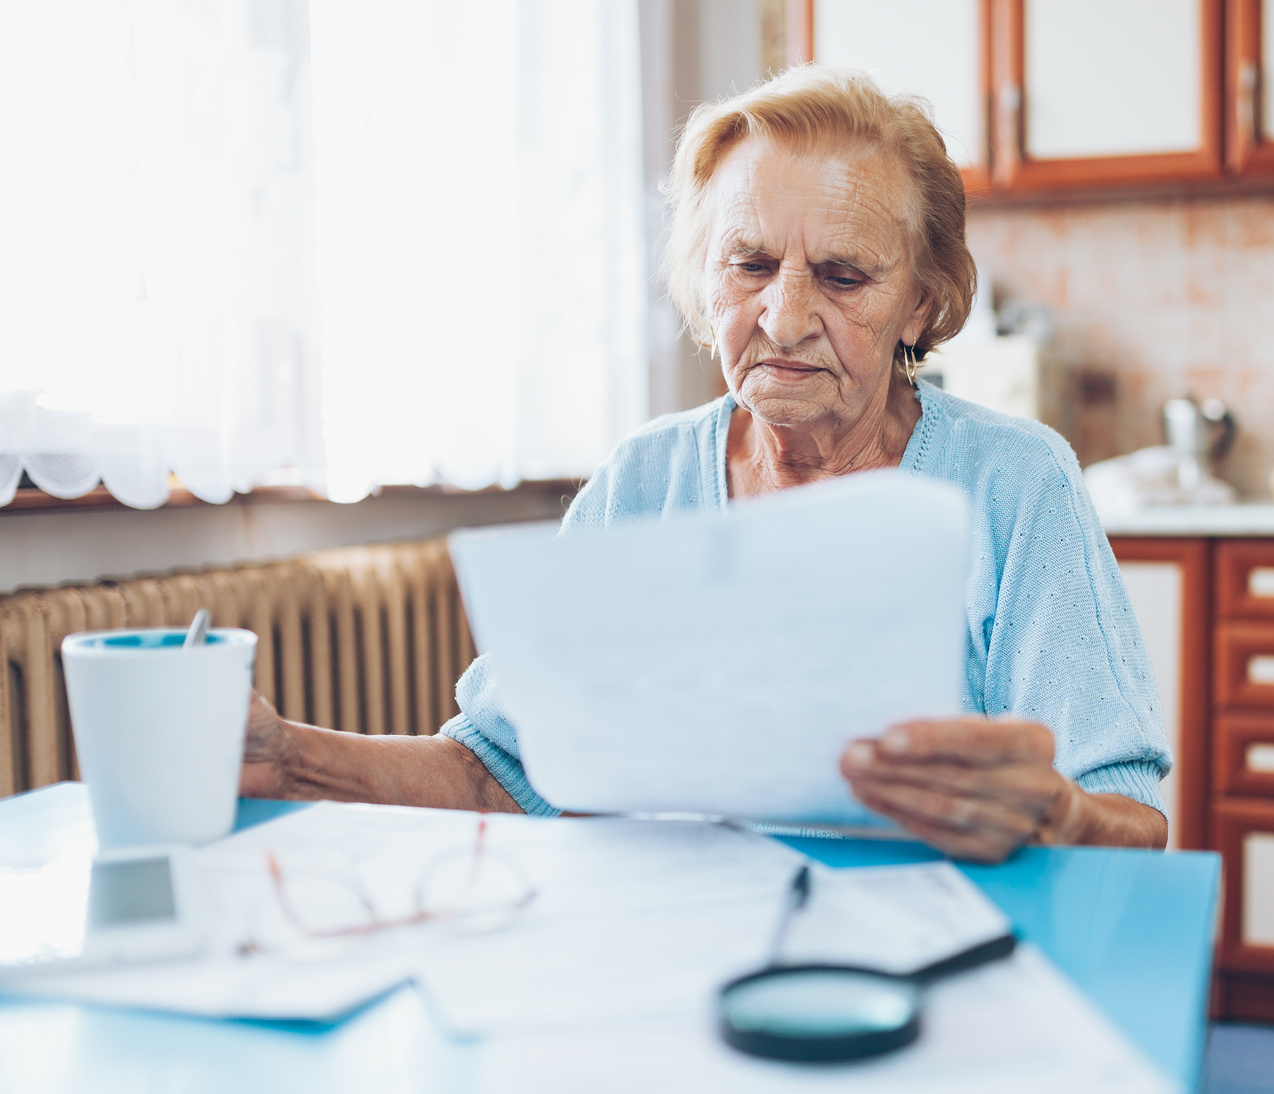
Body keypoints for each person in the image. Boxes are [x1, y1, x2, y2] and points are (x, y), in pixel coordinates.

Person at [241, 66, 1171, 863]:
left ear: (921, 307)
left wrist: (1051, 811)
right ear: (704, 279)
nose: (783, 316)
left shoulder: (1014, 483)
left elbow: (1131, 819)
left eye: (842, 276)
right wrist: (288, 759)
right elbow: (500, 777)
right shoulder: (642, 482)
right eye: (751, 264)